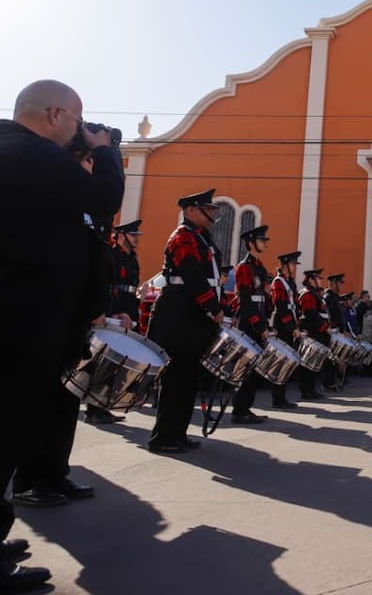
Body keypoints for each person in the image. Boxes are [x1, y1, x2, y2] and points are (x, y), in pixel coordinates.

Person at [0, 79, 124, 594]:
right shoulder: (25, 153)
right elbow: (106, 197)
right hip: (16, 321)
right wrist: (107, 152)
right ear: (55, 114)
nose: (81, 131)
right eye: (78, 121)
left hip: (13, 318)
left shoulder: (8, 152)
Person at [147, 188, 226, 453]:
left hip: (192, 315)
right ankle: (164, 437)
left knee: (188, 379)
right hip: (179, 314)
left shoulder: (201, 237)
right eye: (208, 209)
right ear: (190, 211)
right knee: (176, 380)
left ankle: (177, 434)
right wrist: (212, 307)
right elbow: (192, 275)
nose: (213, 213)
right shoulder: (183, 237)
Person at [86, 219, 143, 425]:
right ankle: (94, 408)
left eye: (137, 236)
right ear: (120, 236)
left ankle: (103, 405)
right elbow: (108, 286)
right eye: (133, 235)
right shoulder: (112, 255)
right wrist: (115, 313)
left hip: (127, 312)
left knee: (116, 362)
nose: (136, 239)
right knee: (104, 361)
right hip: (113, 312)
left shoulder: (132, 259)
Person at [230, 225, 276, 423]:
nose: (265, 243)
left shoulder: (259, 267)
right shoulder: (244, 268)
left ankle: (247, 407)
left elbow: (264, 298)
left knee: (254, 368)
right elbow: (246, 301)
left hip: (260, 319)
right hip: (249, 322)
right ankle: (239, 411)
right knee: (246, 368)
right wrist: (259, 327)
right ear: (250, 243)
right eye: (261, 240)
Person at [270, 250, 302, 405]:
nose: (295, 267)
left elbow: (295, 306)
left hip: (291, 325)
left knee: (288, 362)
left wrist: (297, 326)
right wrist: (291, 327)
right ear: (284, 265)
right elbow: (281, 307)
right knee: (282, 361)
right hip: (282, 326)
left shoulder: (290, 282)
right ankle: (278, 398)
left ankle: (282, 396)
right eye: (292, 264)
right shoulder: (278, 282)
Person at [295, 268, 329, 399]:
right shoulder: (307, 294)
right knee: (308, 364)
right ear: (311, 280)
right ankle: (306, 390)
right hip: (312, 331)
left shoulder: (314, 293)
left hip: (317, 331)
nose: (320, 281)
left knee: (314, 363)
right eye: (318, 278)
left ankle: (311, 389)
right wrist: (324, 326)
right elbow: (310, 313)